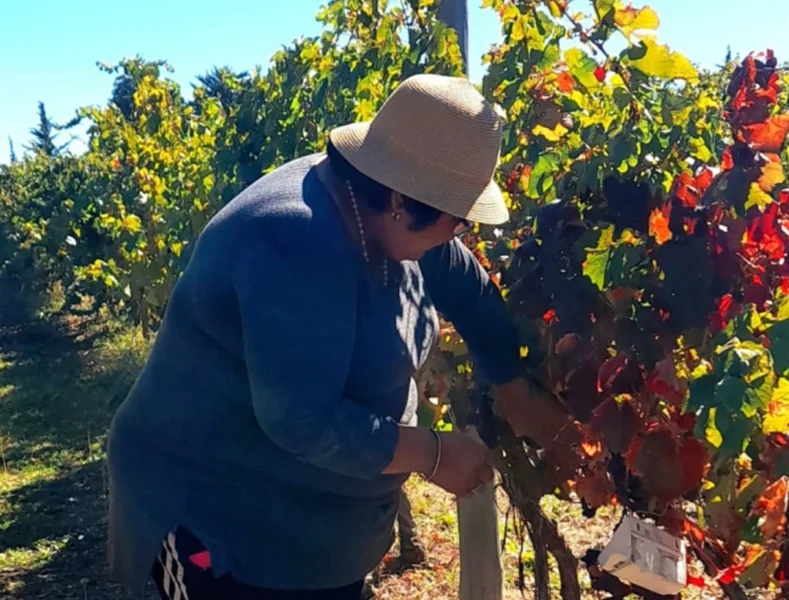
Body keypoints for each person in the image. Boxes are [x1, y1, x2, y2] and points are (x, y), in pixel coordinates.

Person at [106, 73, 570, 599]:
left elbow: (469, 290)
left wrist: (514, 387)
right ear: (401, 201)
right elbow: (302, 420)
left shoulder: (382, 209)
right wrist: (433, 454)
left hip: (315, 527)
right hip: (218, 516)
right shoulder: (292, 239)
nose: (461, 233)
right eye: (459, 220)